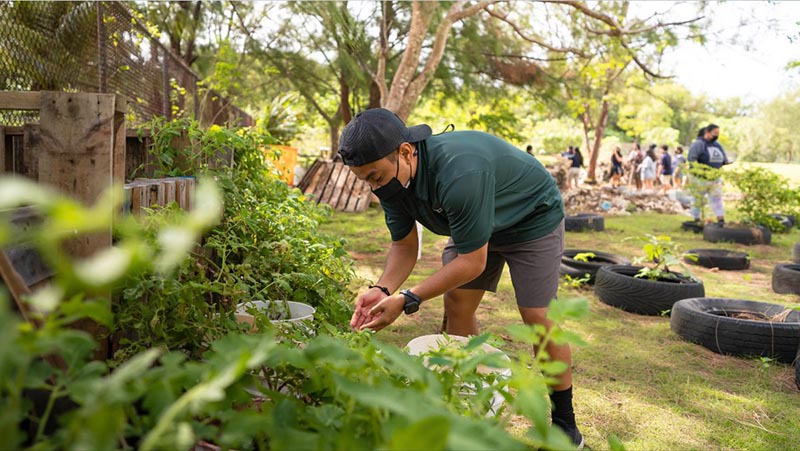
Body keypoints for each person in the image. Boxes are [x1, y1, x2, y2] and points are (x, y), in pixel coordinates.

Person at [339, 108, 583, 448]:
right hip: (475, 224)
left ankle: (564, 422)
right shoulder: (391, 182)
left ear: (406, 152)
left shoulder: (459, 172)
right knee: (457, 304)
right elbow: (404, 246)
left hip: (531, 219)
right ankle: (469, 400)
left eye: (375, 177)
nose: (373, 186)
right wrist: (382, 289)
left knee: (538, 317)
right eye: (365, 179)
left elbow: (471, 262)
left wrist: (408, 299)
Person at [687, 124, 731, 225]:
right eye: (714, 133)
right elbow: (691, 160)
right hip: (700, 178)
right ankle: (696, 219)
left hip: (715, 178)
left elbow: (724, 159)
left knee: (717, 199)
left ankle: (721, 219)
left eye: (717, 134)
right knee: (697, 200)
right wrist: (699, 172)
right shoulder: (698, 144)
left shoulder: (717, 145)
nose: (716, 136)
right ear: (707, 132)